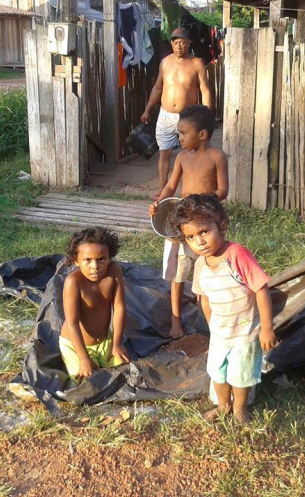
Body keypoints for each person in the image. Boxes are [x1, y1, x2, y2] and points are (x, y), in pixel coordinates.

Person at [169, 193, 276, 422]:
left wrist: (266, 328)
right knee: (217, 371)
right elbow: (204, 299)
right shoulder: (200, 264)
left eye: (204, 231)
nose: (199, 241)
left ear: (222, 226)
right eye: (190, 237)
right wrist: (212, 329)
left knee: (240, 375)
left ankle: (239, 408)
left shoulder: (237, 254)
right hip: (220, 333)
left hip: (245, 332)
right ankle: (223, 406)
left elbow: (261, 289)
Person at [149, 104, 228, 338]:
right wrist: (159, 201)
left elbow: (222, 190)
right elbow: (172, 185)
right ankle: (176, 320)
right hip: (183, 223)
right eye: (179, 133)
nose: (180, 138)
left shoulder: (217, 157)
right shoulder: (181, 157)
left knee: (209, 266)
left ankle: (206, 315)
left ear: (202, 134)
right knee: (178, 272)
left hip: (206, 221)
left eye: (184, 133)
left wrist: (200, 202)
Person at [140, 27, 212, 198]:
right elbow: (158, 88)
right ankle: (164, 191)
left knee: (191, 154)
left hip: (188, 117)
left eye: (182, 42)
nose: (179, 46)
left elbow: (205, 91)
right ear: (171, 43)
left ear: (189, 44)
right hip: (165, 115)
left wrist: (206, 116)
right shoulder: (165, 62)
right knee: (164, 153)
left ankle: (190, 191)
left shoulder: (196, 63)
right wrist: (147, 109)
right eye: (175, 42)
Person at [59, 227, 130, 383]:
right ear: (76, 260)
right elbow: (72, 322)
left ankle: (103, 358)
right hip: (77, 345)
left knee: (125, 371)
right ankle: (86, 361)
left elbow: (119, 308)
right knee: (88, 381)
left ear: (110, 257)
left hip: (105, 342)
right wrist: (84, 358)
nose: (95, 266)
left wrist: (116, 344)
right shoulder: (73, 282)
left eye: (101, 259)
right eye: (87, 260)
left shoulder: (114, 272)